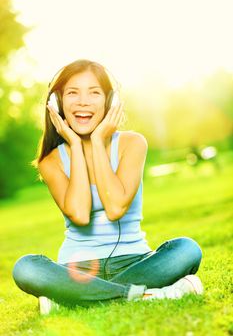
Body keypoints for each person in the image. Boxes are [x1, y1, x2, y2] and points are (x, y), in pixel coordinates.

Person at [12, 59, 203, 315]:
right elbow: (79, 215)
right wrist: (76, 146)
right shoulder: (52, 161)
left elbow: (115, 208)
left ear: (109, 102)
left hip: (136, 261)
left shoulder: (132, 144)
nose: (83, 101)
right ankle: (144, 295)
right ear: (57, 103)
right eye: (73, 93)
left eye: (94, 92)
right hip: (75, 269)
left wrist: (99, 140)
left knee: (187, 249)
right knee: (26, 267)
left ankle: (70, 299)